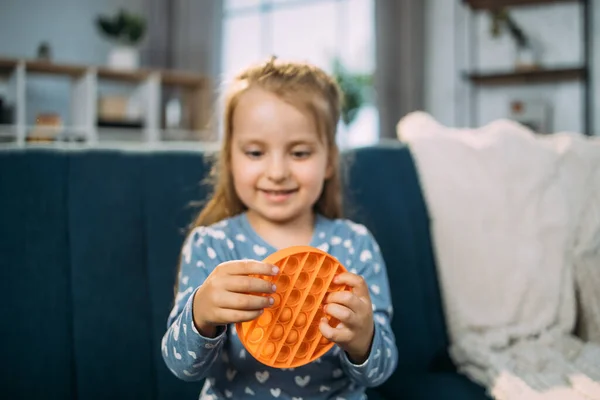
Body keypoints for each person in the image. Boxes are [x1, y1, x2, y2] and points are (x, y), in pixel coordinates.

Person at [161, 57, 398, 400]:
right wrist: (201, 313)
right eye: (255, 152)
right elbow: (181, 366)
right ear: (230, 158)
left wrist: (364, 340)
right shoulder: (213, 246)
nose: (277, 171)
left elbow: (381, 371)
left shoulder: (355, 245)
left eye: (299, 153)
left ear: (329, 159)